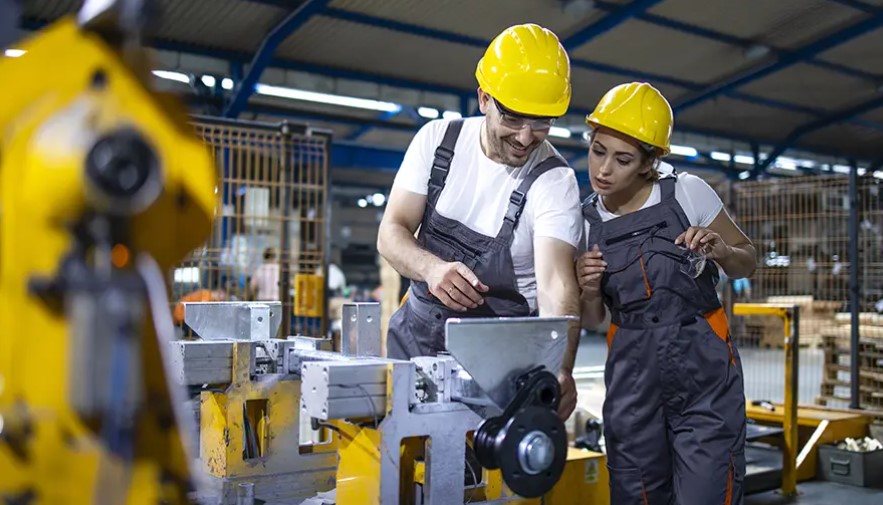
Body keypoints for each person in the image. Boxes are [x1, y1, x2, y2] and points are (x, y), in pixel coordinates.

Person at [377, 23, 583, 420]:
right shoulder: (438, 141)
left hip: (501, 367)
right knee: (398, 468)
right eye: (514, 118)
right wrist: (430, 268)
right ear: (484, 97)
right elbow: (391, 232)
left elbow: (557, 282)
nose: (526, 138)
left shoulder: (554, 181)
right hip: (415, 344)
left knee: (484, 476)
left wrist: (562, 366)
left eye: (541, 123)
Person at [576, 82, 757, 504]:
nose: (603, 169)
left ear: (648, 163)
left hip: (703, 371)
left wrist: (721, 249)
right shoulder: (584, 221)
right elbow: (593, 321)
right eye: (597, 150)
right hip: (632, 378)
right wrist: (586, 290)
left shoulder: (686, 194)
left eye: (622, 160)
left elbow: (747, 259)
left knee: (708, 489)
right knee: (636, 490)